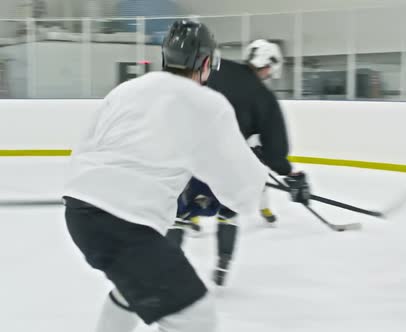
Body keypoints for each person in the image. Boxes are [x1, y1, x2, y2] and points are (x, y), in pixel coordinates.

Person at [62, 20, 269, 332]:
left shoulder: (127, 90)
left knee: (132, 292)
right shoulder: (207, 104)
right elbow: (241, 189)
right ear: (206, 62)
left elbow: (90, 150)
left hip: (80, 213)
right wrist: (257, 178)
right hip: (125, 223)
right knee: (195, 317)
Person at [168, 39, 310, 287]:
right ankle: (223, 264)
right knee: (227, 212)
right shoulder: (264, 97)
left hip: (188, 157)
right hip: (226, 166)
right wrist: (290, 174)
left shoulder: (215, 67)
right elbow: (276, 150)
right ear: (269, 65)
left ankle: (165, 267)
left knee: (178, 214)